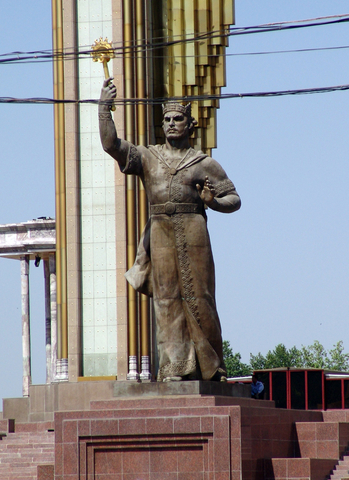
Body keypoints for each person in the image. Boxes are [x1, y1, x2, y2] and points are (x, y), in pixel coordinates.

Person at [98, 78, 241, 382]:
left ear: (191, 125)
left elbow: (235, 200)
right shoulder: (148, 157)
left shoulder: (205, 163)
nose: (172, 123)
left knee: (200, 297)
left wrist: (211, 201)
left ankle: (211, 367)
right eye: (167, 119)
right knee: (167, 299)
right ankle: (175, 367)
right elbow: (111, 145)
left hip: (194, 230)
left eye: (179, 119)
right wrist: (103, 109)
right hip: (160, 231)